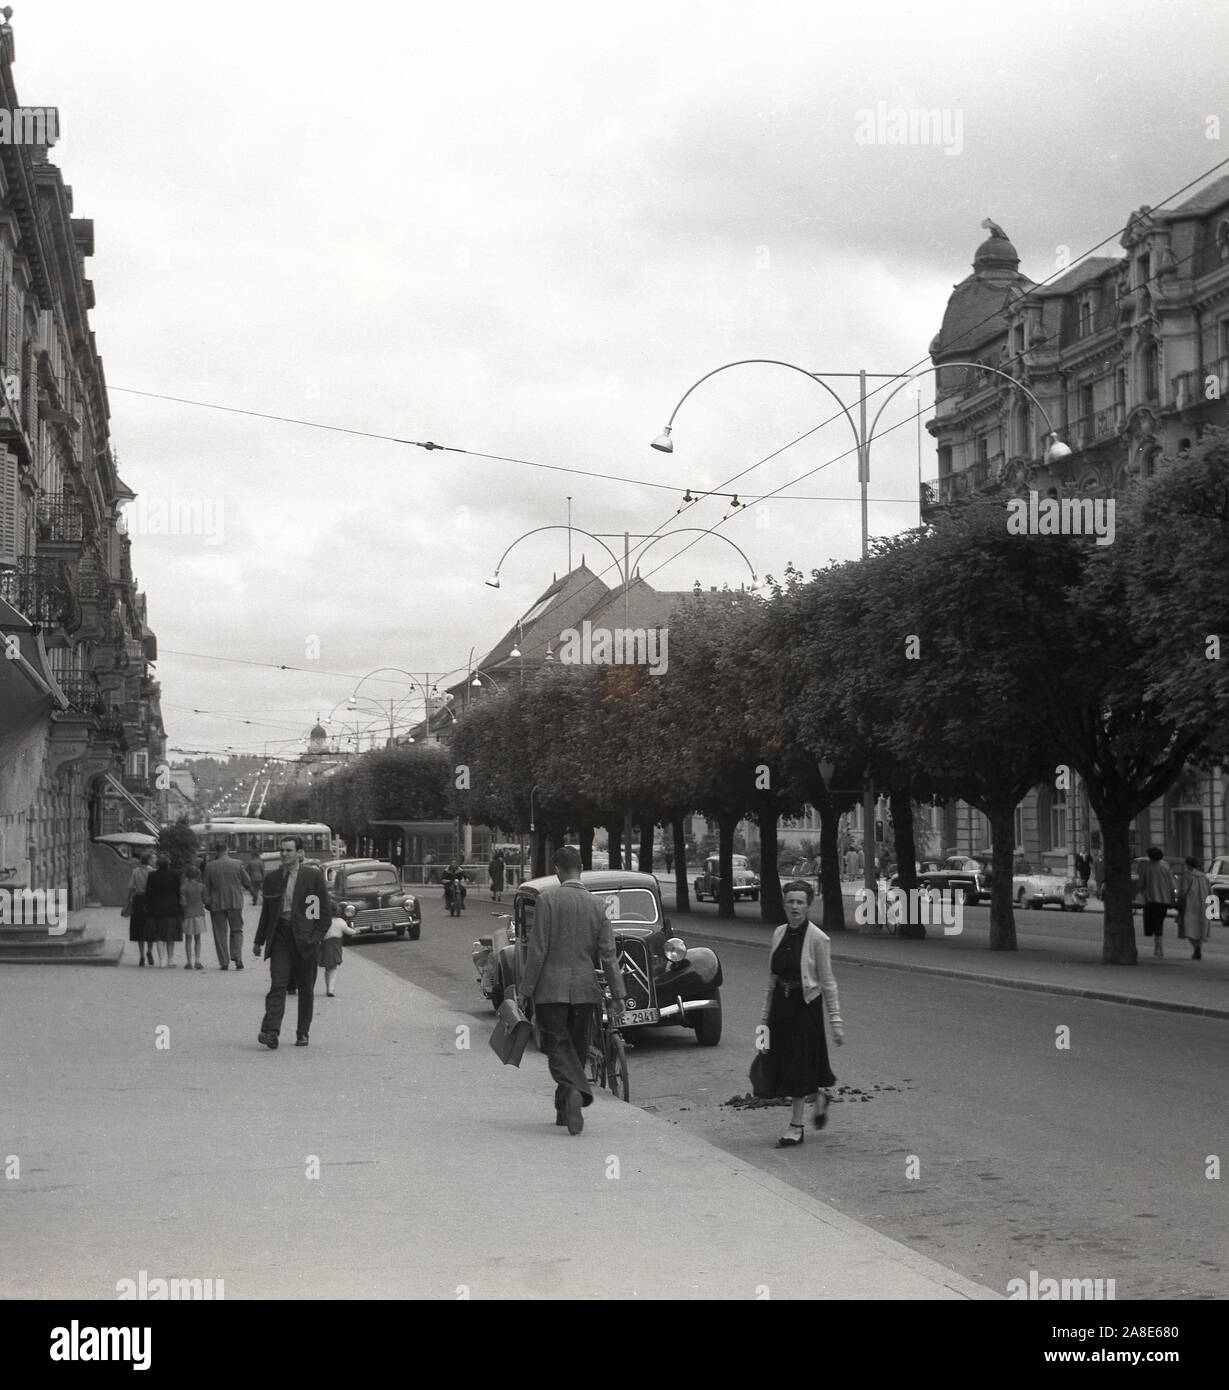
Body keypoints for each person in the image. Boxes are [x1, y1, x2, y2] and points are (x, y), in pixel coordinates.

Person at [517, 845, 626, 1135]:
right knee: (576, 1050)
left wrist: (525, 990)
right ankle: (565, 1108)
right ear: (580, 868)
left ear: (557, 870)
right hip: (584, 990)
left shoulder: (547, 900)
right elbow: (608, 954)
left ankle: (574, 1094)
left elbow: (537, 951)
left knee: (556, 1048)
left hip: (550, 990)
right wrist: (619, 995)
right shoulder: (597, 905)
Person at [759, 880, 845, 1148]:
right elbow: (771, 979)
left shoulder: (819, 939)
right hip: (781, 1009)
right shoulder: (778, 933)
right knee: (783, 1063)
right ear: (784, 903)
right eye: (790, 901)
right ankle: (819, 1096)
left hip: (805, 1008)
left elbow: (828, 982)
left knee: (797, 1068)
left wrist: (836, 1022)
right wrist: (764, 1018)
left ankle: (796, 1127)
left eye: (800, 902)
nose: (795, 907)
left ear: (809, 905)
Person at [254, 836, 332, 1048]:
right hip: (281, 937)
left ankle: (302, 1032)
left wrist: (314, 938)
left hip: (305, 940)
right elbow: (267, 913)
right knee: (278, 984)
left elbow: (319, 913)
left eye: (289, 850)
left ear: (299, 853)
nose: (284, 854)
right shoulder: (273, 879)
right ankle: (271, 1031)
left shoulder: (311, 877)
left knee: (306, 988)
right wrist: (259, 940)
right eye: (282, 850)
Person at [203, 844, 252, 970]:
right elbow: (247, 882)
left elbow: (206, 887)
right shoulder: (238, 863)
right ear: (227, 850)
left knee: (220, 933)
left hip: (217, 902)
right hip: (235, 900)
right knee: (237, 930)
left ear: (216, 851)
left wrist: (207, 901)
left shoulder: (210, 866)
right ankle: (238, 956)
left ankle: (224, 961)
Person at [144, 854, 183, 968]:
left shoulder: (152, 875)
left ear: (158, 864)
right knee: (170, 935)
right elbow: (178, 892)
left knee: (159, 935)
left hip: (156, 908)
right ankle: (170, 960)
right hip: (172, 907)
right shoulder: (175, 875)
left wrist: (148, 906)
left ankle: (161, 960)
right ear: (168, 863)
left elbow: (148, 893)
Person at [1138, 846, 1175, 958]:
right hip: (1164, 899)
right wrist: (1172, 897)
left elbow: (1140, 884)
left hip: (1151, 899)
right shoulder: (1165, 866)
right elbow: (1172, 884)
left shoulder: (1146, 868)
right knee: (1159, 923)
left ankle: (1158, 948)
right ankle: (1158, 948)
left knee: (1154, 925)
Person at [1179, 856, 1212, 961]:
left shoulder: (1186, 876)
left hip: (1190, 904)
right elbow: (1210, 891)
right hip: (1204, 904)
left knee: (1188, 927)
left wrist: (1179, 900)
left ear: (1187, 865)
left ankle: (1195, 947)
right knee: (1201, 927)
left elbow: (1183, 891)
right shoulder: (1204, 877)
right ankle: (1198, 948)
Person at [125, 851, 154, 967]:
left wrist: (128, 901)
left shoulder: (135, 871)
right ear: (149, 860)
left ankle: (141, 955)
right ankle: (150, 951)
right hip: (150, 900)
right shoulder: (152, 872)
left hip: (138, 900)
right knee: (150, 927)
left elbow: (131, 887)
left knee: (139, 928)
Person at [320, 911, 359, 996]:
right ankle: (331, 989)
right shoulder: (340, 921)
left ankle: (328, 987)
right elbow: (348, 931)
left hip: (325, 945)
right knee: (334, 968)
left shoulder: (322, 921)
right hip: (336, 945)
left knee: (328, 968)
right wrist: (356, 931)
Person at [180, 865, 207, 969]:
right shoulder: (201, 886)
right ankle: (198, 960)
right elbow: (205, 899)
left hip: (188, 914)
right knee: (198, 938)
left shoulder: (183, 887)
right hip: (199, 913)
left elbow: (183, 902)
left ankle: (189, 962)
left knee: (188, 938)